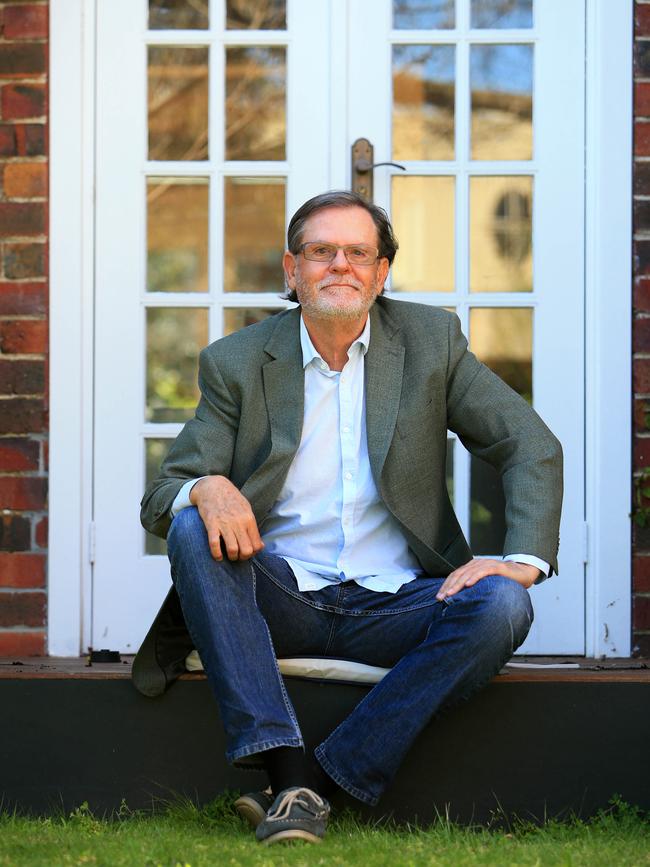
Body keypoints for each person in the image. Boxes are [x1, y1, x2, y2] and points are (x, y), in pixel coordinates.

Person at [139, 190, 562, 846]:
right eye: (321, 251)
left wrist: (523, 557)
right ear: (291, 269)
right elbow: (161, 494)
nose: (341, 265)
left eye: (358, 252)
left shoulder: (431, 342)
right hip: (280, 597)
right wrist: (205, 487)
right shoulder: (237, 361)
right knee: (197, 523)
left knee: (504, 604)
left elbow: (529, 444)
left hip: (397, 603)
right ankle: (283, 759)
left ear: (381, 271)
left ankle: (312, 784)